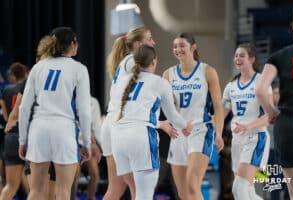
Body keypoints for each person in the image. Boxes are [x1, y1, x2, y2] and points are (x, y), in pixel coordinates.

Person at [102, 27, 177, 200]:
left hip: (114, 126)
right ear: (138, 44)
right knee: (134, 188)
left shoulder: (126, 63)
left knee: (120, 188)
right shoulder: (132, 61)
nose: (153, 42)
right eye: (149, 38)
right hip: (120, 126)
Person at [18, 27, 92, 200]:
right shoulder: (79, 69)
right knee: (63, 190)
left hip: (39, 127)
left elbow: (24, 108)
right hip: (63, 129)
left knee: (36, 190)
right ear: (72, 43)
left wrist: (23, 140)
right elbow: (84, 111)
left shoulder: (39, 67)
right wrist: (86, 142)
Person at [111, 44, 192, 200]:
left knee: (134, 192)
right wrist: (186, 126)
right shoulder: (159, 82)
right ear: (154, 61)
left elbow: (127, 113)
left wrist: (157, 123)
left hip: (118, 138)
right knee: (144, 195)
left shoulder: (121, 80)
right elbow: (173, 116)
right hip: (141, 138)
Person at [163, 33, 224, 200]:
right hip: (179, 133)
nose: (178, 49)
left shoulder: (207, 71)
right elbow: (167, 107)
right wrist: (167, 124)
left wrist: (218, 134)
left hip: (200, 130)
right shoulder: (168, 74)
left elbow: (218, 107)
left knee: (192, 184)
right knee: (183, 194)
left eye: (182, 45)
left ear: (193, 47)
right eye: (175, 46)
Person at [256, 10, 293, 200]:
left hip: (287, 124)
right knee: (272, 184)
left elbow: (260, 91)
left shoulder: (279, 56)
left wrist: (272, 113)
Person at [222, 43, 272, 200]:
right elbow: (221, 114)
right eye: (236, 55)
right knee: (248, 191)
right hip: (238, 141)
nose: (237, 58)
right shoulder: (230, 86)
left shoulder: (261, 82)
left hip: (256, 138)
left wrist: (248, 126)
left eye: (242, 55)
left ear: (252, 59)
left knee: (239, 188)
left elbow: (270, 116)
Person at [0, 63, 28, 200]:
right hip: (26, 136)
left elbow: (6, 117)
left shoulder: (6, 90)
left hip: (10, 136)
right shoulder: (30, 87)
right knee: (36, 188)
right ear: (26, 73)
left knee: (10, 185)